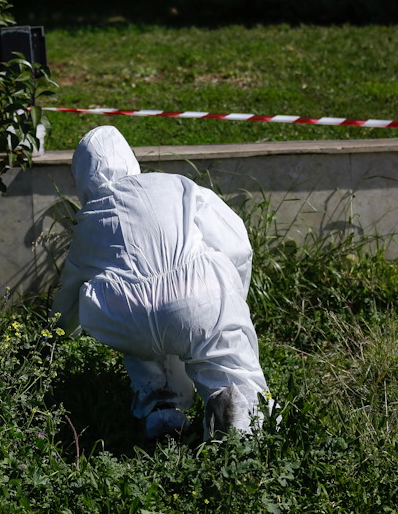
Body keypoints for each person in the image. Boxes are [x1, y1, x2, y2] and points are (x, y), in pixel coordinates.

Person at [52, 125, 270, 439]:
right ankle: (238, 424)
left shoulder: (89, 219)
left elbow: (70, 292)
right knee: (229, 366)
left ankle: (162, 413)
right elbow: (236, 246)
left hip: (125, 322)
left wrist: (54, 342)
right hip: (197, 299)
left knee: (131, 302)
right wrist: (233, 301)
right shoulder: (174, 185)